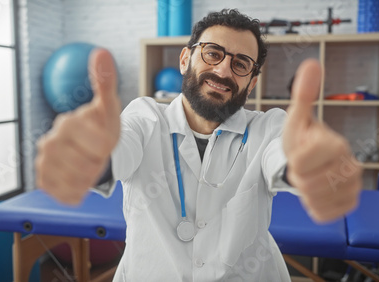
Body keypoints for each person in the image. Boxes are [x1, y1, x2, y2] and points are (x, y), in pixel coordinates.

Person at [35, 9, 362, 281]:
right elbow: (117, 149)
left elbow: (287, 156)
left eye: (241, 64)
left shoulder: (269, 128)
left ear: (251, 84)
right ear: (184, 59)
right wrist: (90, 155)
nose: (222, 70)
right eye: (213, 53)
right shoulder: (144, 118)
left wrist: (311, 169)